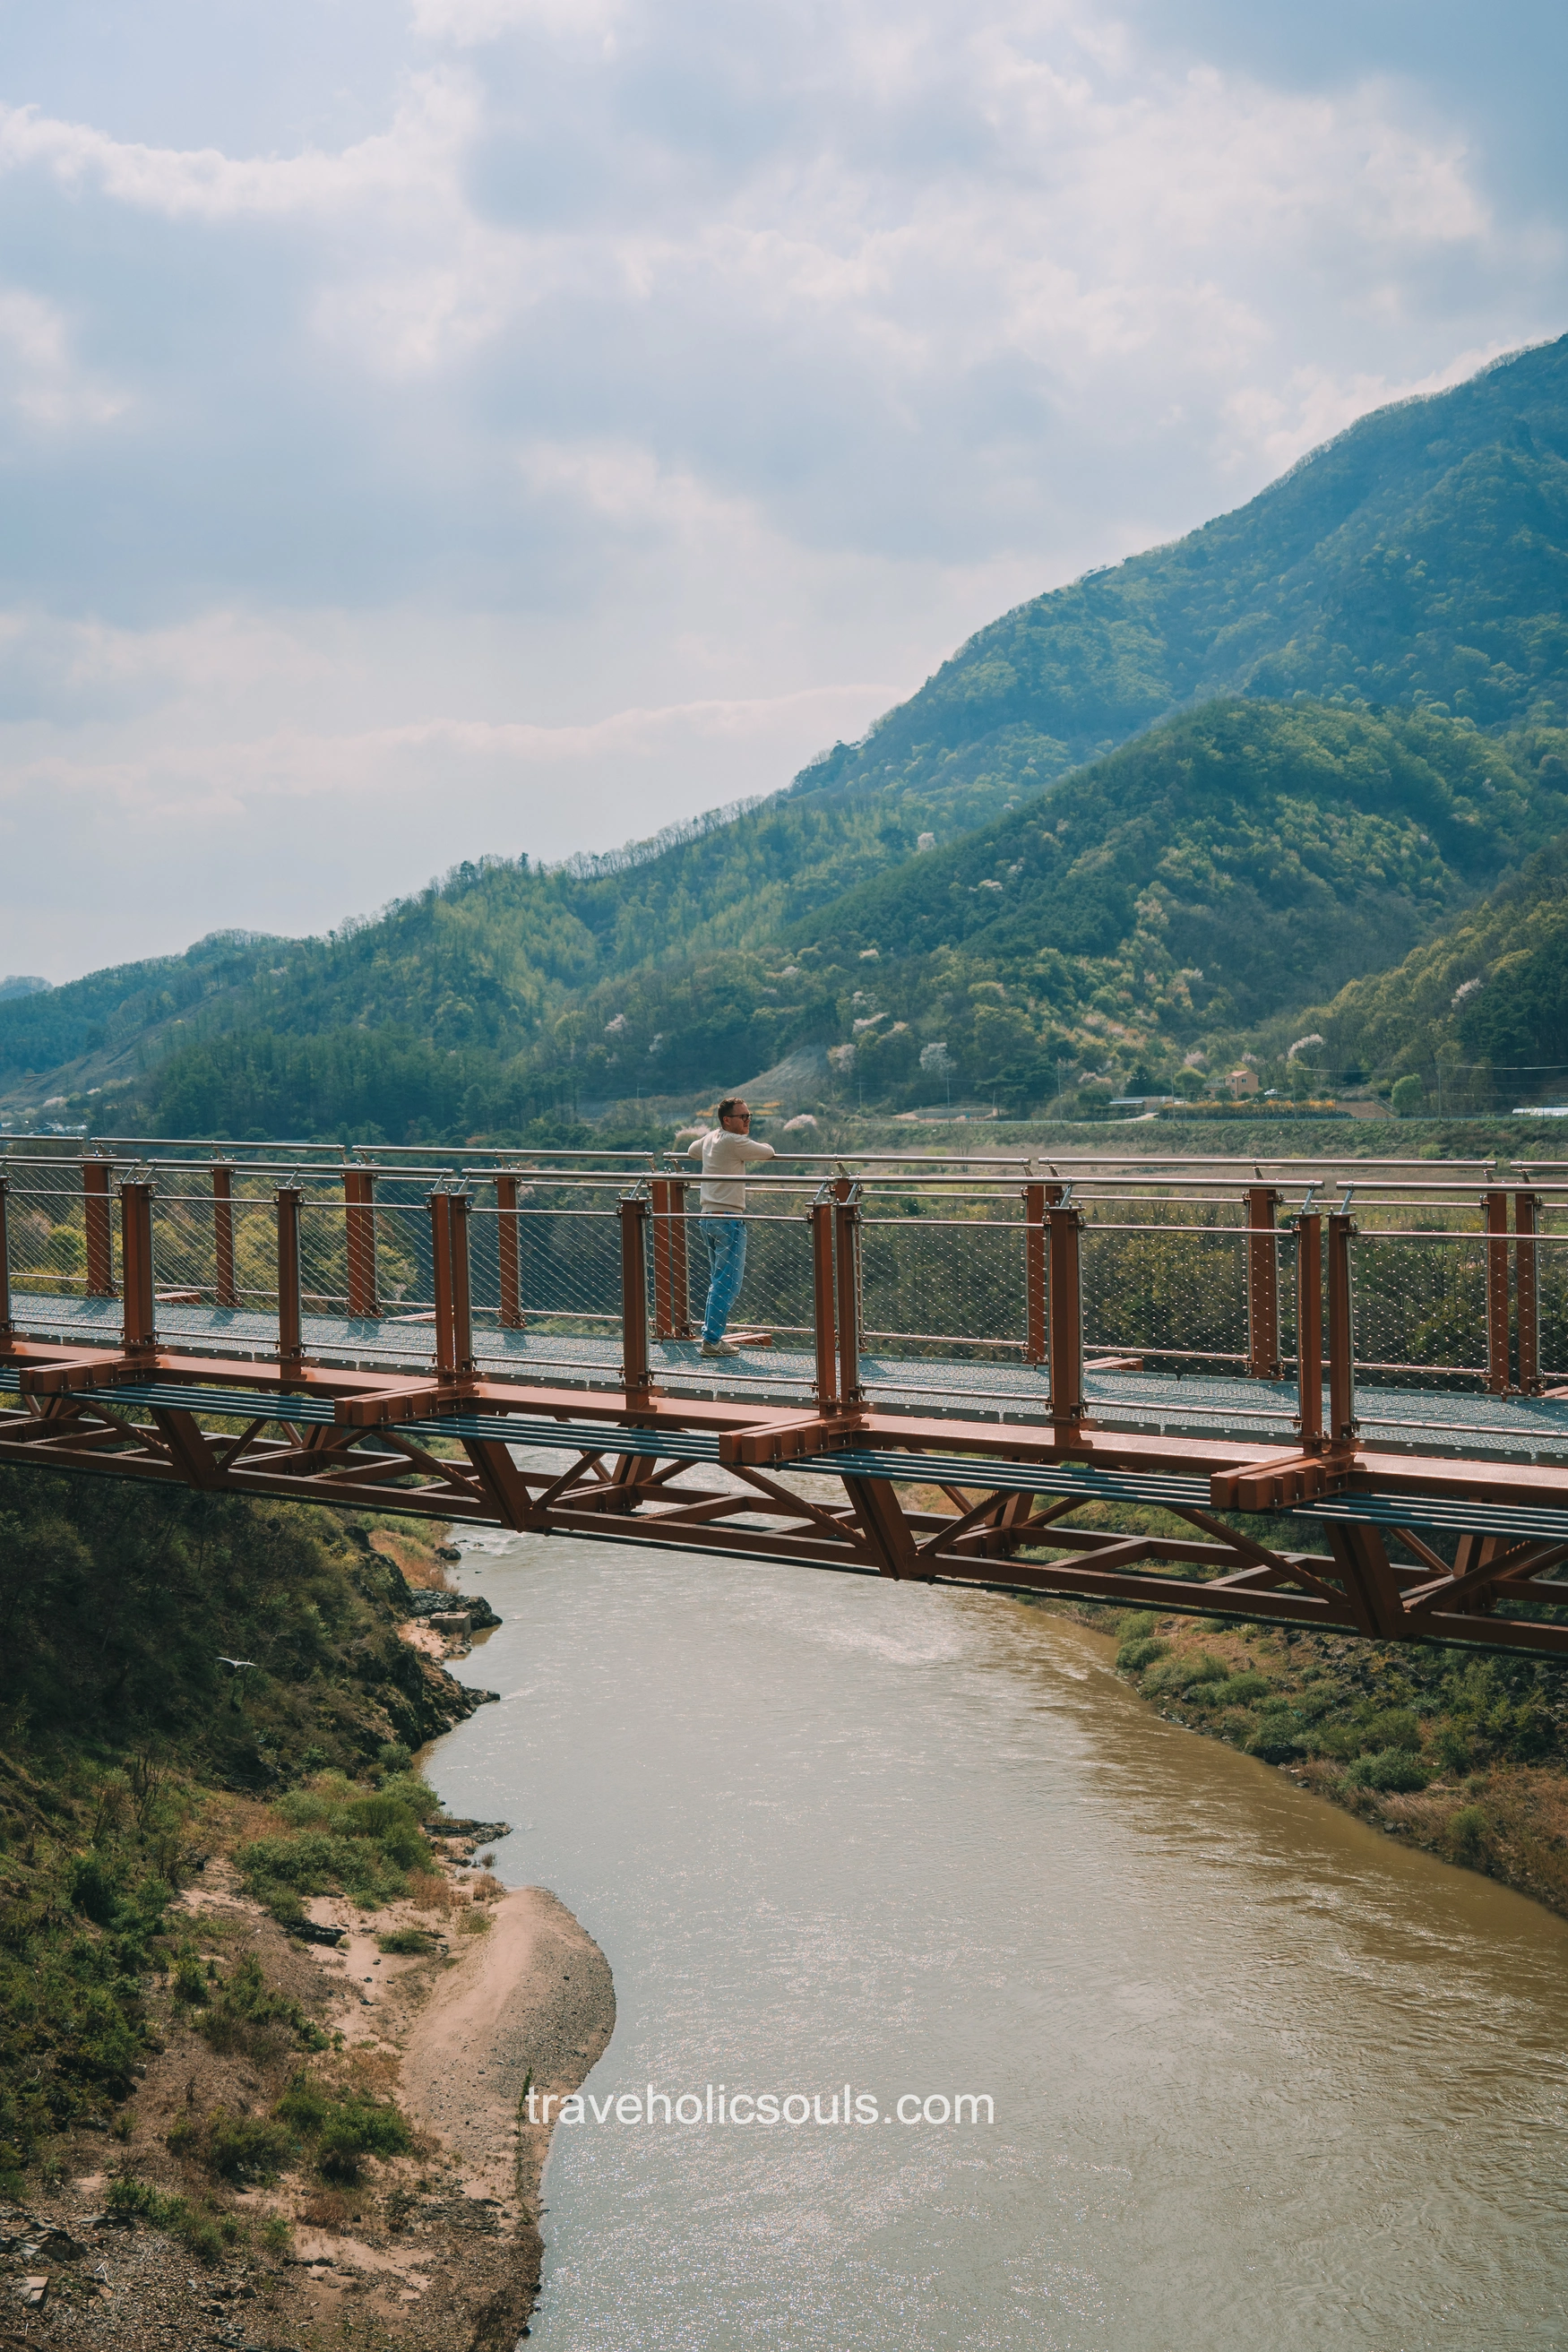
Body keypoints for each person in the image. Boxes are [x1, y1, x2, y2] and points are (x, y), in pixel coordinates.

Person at [685, 1098, 775, 1356]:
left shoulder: (713, 1138)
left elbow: (692, 1149)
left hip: (708, 1217)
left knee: (718, 1280)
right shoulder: (734, 1142)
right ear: (727, 1120)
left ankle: (711, 1337)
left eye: (749, 1116)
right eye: (743, 1117)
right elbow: (767, 1151)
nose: (748, 1121)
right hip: (728, 1219)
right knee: (728, 1283)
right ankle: (712, 1340)